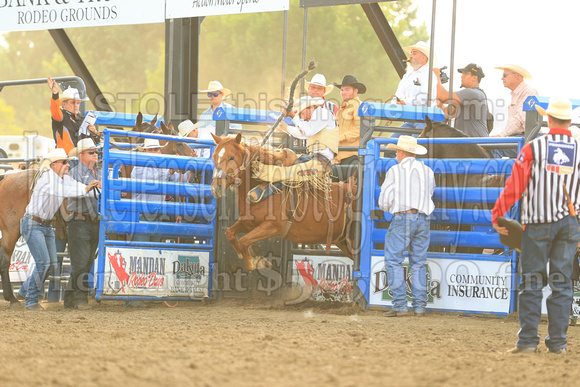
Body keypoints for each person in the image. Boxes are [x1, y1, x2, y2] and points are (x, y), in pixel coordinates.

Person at [492, 96, 580, 355]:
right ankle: (558, 344)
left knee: (531, 280)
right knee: (562, 283)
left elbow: (515, 186)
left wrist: (498, 213)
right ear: (569, 120)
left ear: (548, 119)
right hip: (569, 223)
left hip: (539, 222)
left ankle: (528, 342)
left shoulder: (533, 147)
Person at [18, 148, 100, 311]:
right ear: (54, 164)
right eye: (64, 162)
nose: (68, 164)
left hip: (43, 225)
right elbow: (68, 191)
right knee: (45, 263)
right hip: (34, 224)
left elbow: (77, 188)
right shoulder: (48, 180)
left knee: (51, 264)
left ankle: (24, 290)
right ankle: (31, 301)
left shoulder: (62, 179)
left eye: (67, 161)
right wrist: (86, 188)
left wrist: (96, 188)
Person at [379, 135, 435, 317]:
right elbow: (430, 192)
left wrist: (390, 208)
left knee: (393, 260)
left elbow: (385, 200)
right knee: (418, 262)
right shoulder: (427, 171)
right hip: (423, 218)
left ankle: (400, 305)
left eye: (397, 152)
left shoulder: (395, 170)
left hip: (403, 218)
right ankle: (419, 307)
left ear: (401, 153)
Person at [247, 96, 338, 203]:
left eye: (301, 114)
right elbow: (303, 133)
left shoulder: (323, 114)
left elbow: (307, 132)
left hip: (321, 163)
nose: (302, 118)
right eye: (299, 115)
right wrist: (286, 127)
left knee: (290, 172)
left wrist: (293, 116)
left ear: (309, 108)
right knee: (285, 163)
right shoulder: (317, 117)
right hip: (312, 158)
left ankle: (261, 191)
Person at [64, 138, 102, 310]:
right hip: (79, 220)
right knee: (81, 262)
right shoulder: (74, 173)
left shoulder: (100, 172)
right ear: (81, 155)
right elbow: (72, 192)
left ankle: (70, 298)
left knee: (85, 262)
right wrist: (90, 187)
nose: (95, 155)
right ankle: (80, 299)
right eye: (91, 152)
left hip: (94, 221)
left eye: (96, 152)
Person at [131, 138, 180, 241]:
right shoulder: (138, 167)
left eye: (156, 149)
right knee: (141, 249)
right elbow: (151, 181)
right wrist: (170, 170)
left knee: (154, 249)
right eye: (150, 149)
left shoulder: (163, 166)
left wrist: (179, 164)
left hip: (158, 214)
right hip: (142, 215)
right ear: (144, 151)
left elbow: (178, 180)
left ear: (160, 151)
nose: (153, 152)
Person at [391, 41, 438, 132]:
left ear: (423, 58)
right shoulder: (408, 75)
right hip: (411, 119)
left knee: (412, 144)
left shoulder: (428, 74)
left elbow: (424, 98)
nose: (410, 56)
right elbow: (397, 95)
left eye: (414, 53)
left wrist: (403, 102)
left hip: (425, 120)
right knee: (391, 143)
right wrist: (395, 105)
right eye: (411, 53)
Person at [435, 63, 490, 138]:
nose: (462, 76)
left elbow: (443, 96)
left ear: (474, 77)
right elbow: (447, 113)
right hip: (469, 144)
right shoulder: (467, 96)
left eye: (465, 74)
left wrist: (436, 76)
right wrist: (439, 100)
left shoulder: (473, 93)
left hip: (477, 145)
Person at [47, 77, 97, 155]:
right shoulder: (61, 116)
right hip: (67, 159)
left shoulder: (82, 119)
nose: (76, 106)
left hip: (82, 159)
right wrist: (55, 94)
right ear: (64, 104)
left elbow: (92, 143)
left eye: (78, 103)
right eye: (73, 103)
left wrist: (94, 133)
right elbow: (55, 110)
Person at [491, 64, 538, 138]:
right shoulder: (518, 93)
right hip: (520, 137)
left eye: (504, 75)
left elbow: (519, 118)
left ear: (516, 76)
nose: (502, 78)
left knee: (492, 148)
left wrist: (501, 135)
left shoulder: (528, 92)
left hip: (525, 138)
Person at [332, 75, 366, 167]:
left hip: (352, 155)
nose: (343, 93)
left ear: (356, 91)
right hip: (340, 155)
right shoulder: (343, 108)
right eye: (342, 90)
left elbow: (359, 129)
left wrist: (341, 137)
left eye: (347, 90)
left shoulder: (358, 106)